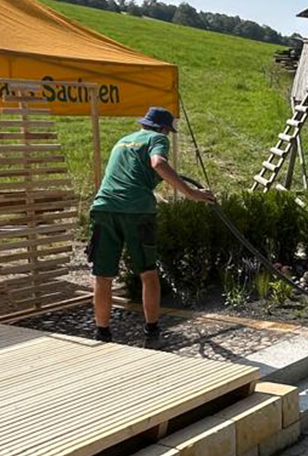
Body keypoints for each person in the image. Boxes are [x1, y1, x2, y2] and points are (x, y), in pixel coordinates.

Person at [88, 106, 214, 347]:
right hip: (137, 211)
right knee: (148, 273)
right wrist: (191, 193)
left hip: (104, 208)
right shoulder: (157, 139)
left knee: (102, 275)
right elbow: (157, 163)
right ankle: (152, 332)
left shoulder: (122, 141)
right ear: (163, 129)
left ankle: (102, 334)